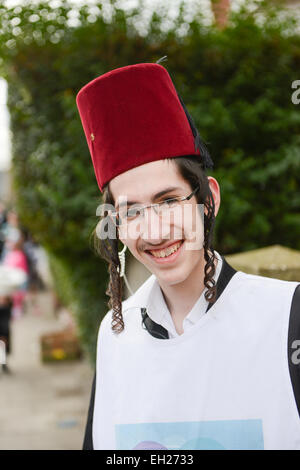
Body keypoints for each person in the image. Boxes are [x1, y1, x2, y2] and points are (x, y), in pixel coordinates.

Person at [76, 60, 300, 450]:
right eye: (131, 211)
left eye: (168, 201)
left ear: (208, 197)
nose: (155, 231)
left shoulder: (287, 317)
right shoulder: (116, 335)